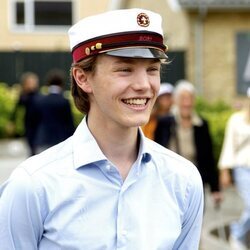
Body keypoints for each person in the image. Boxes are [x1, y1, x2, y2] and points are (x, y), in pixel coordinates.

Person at [0, 9, 204, 249]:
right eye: (124, 69)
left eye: (152, 69)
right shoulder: (32, 186)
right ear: (82, 78)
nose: (143, 85)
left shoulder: (184, 181)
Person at [155, 80, 221, 205]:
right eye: (183, 99)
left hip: (194, 180)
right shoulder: (165, 122)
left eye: (190, 99)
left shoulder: (201, 124)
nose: (187, 103)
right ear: (175, 100)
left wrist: (215, 189)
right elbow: (156, 150)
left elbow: (208, 157)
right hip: (169, 180)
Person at [218, 87, 250, 250]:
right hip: (243, 169)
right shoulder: (236, 119)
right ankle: (237, 237)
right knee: (249, 206)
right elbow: (229, 145)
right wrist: (224, 170)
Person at [34, 68, 75, 153]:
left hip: (43, 139)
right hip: (61, 140)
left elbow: (35, 121)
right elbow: (69, 122)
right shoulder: (64, 101)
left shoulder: (41, 100)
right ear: (62, 83)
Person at [9, 72, 41, 156]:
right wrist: (12, 122)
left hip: (39, 122)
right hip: (28, 122)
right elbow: (17, 109)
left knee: (36, 143)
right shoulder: (24, 96)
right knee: (30, 143)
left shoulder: (38, 95)